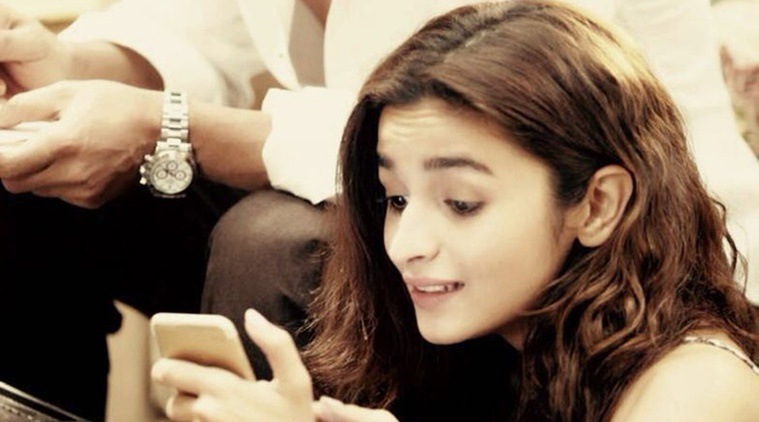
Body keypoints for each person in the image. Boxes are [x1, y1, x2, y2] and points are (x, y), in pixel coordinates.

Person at [0, 0, 757, 419]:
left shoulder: (694, 388)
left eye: (460, 204)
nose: (407, 242)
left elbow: (498, 113)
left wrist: (168, 126)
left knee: (270, 241)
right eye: (393, 199)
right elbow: (179, 31)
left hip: (678, 268)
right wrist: (56, 79)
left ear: (598, 204)